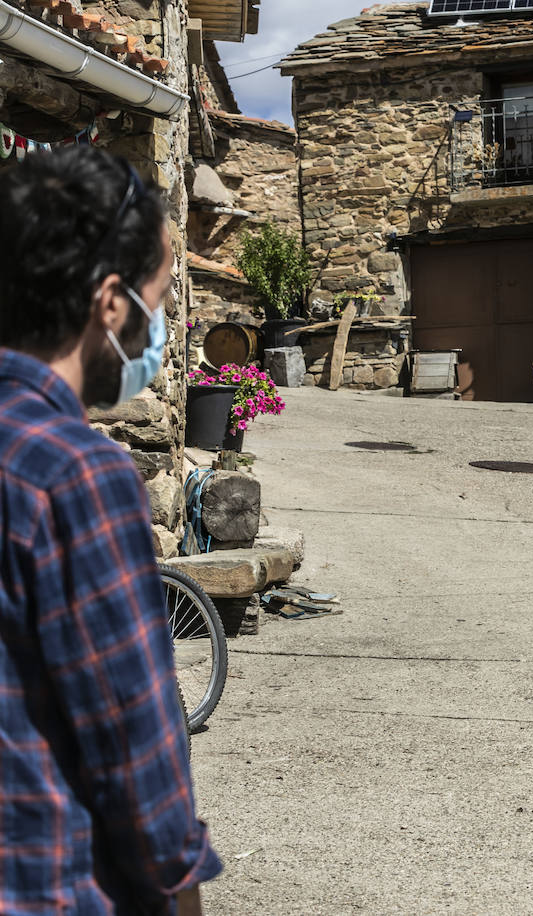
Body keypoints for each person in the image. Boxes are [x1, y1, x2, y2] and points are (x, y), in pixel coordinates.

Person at [0, 148, 220, 913]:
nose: (157, 334)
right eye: (158, 304)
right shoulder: (73, 474)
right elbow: (136, 749)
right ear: (110, 304)